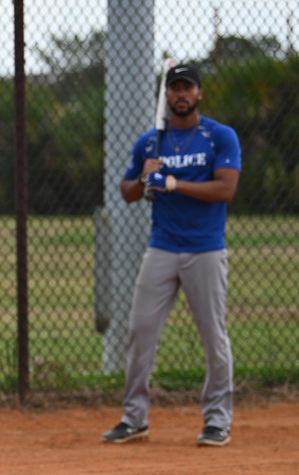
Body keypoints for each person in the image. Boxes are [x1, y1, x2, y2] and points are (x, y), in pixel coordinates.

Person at [103, 63, 241, 447]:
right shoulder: (150, 143)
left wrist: (175, 182)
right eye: (174, 88)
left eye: (188, 88)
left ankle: (217, 421)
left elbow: (225, 190)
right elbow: (128, 191)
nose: (181, 94)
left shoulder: (218, 137)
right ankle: (135, 419)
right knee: (140, 331)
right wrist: (144, 176)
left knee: (213, 336)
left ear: (199, 94)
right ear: (166, 96)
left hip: (206, 249)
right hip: (162, 246)